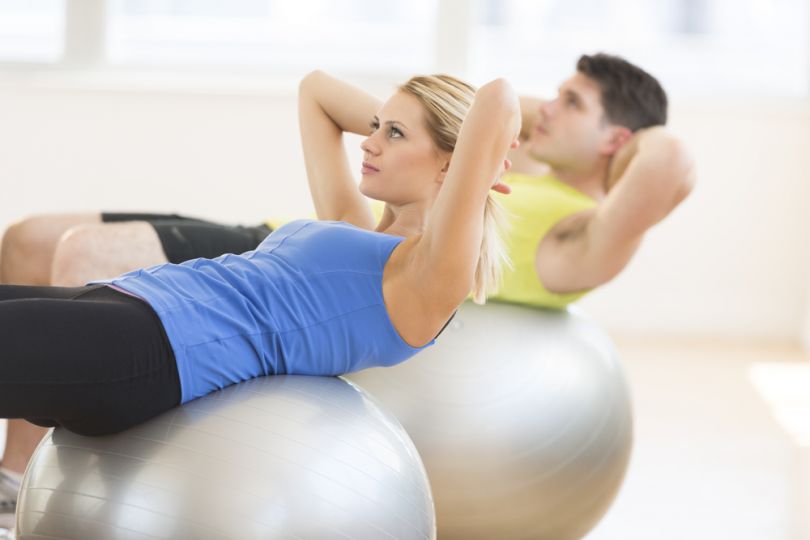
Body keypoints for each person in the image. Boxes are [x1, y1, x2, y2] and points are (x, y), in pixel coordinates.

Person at [0, 52, 694, 510]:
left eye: (394, 135)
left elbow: (498, 99)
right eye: (379, 128)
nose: (370, 141)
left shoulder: (422, 279)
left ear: (456, 168)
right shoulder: (353, 226)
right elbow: (315, 92)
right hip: (133, 306)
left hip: (156, 346)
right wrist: (409, 124)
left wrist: (474, 154)